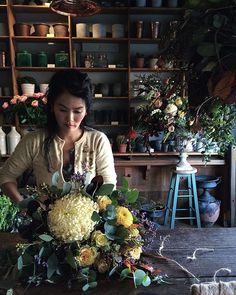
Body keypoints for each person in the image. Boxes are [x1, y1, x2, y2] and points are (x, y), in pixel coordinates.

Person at [0, 69, 117, 204]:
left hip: (89, 222)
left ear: (86, 111)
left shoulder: (98, 141)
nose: (70, 119)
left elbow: (109, 186)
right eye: (62, 110)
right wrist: (24, 206)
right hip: (44, 222)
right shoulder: (34, 141)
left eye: (77, 111)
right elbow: (6, 176)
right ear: (51, 106)